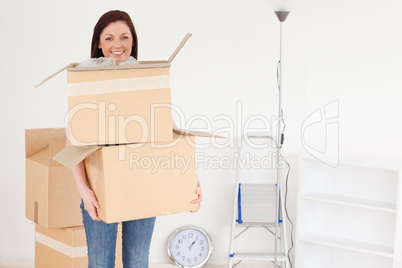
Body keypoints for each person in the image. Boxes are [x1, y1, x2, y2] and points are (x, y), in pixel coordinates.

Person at [71, 10, 202, 268]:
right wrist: (84, 192)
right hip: (100, 191)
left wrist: (191, 181)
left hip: (143, 186)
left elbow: (169, 132)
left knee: (137, 261)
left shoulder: (145, 80)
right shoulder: (85, 82)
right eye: (108, 38)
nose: (117, 45)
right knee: (99, 264)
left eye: (124, 37)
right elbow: (73, 143)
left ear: (133, 41)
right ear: (98, 42)